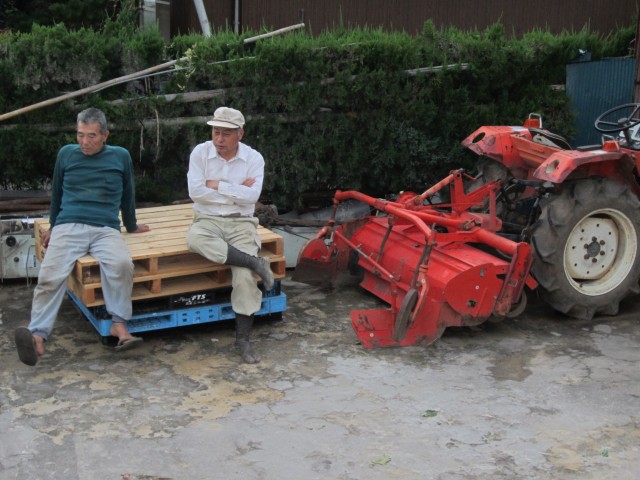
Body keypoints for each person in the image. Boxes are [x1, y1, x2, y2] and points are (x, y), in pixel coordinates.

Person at [14, 108, 150, 366]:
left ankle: (119, 326)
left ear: (105, 135)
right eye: (80, 135)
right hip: (69, 226)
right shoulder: (66, 154)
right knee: (50, 275)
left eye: (91, 136)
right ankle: (37, 335)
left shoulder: (120, 157)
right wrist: (53, 226)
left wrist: (130, 225)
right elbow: (56, 193)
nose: (85, 142)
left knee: (121, 265)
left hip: (105, 228)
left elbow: (128, 194)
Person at [186, 106, 274, 364]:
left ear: (240, 134)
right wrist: (236, 190)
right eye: (216, 132)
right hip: (207, 219)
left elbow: (252, 197)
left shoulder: (254, 159)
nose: (219, 139)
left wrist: (218, 185)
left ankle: (243, 340)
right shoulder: (200, 153)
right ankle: (256, 262)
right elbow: (196, 192)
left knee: (245, 278)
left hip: (241, 223)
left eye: (226, 133)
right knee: (195, 239)